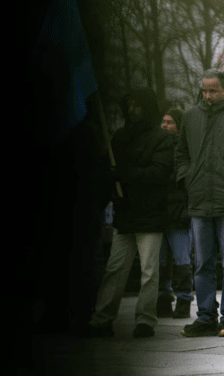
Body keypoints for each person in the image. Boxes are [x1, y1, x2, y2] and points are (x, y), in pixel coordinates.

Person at [86, 87, 174, 338]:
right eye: (130, 106)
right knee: (115, 268)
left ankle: (145, 320)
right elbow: (108, 171)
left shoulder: (161, 137)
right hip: (126, 213)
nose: (133, 111)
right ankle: (102, 318)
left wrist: (124, 175)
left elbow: (160, 174)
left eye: (138, 106)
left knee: (149, 271)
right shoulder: (120, 136)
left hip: (150, 213)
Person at [176, 70, 224, 338]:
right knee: (202, 263)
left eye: (212, 90)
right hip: (199, 200)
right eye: (204, 90)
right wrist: (187, 178)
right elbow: (181, 153)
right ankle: (205, 316)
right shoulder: (191, 116)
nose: (207, 95)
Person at [156, 109, 194, 319]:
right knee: (162, 261)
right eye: (163, 121)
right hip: (163, 210)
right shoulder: (158, 146)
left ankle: (183, 300)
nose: (165, 125)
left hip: (179, 211)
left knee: (181, 260)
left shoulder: (184, 148)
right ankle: (163, 298)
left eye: (170, 122)